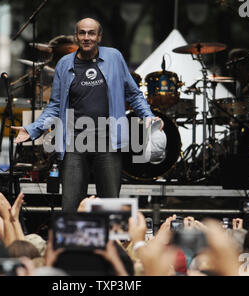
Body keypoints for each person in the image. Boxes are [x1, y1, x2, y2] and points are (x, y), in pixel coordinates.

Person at [12, 18, 161, 212]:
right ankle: (71, 243)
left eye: (91, 33)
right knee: (70, 207)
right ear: (76, 37)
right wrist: (33, 129)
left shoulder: (114, 57)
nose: (86, 37)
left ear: (99, 37)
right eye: (82, 33)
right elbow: (55, 106)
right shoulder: (65, 64)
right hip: (75, 143)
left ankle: (110, 243)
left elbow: (133, 94)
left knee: (110, 207)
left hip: (108, 142)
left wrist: (147, 115)